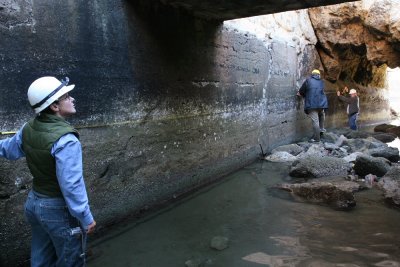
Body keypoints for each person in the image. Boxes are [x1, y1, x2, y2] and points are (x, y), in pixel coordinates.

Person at [0, 76, 96, 266]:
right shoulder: (67, 140)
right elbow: (71, 185)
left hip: (34, 204)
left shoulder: (28, 127)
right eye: (67, 97)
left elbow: (8, 150)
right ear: (54, 106)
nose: (72, 99)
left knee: (41, 259)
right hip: (56, 209)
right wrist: (85, 217)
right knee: (71, 260)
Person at [297, 69, 328, 142]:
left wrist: (300, 94)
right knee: (321, 117)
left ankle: (317, 139)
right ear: (318, 75)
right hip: (321, 104)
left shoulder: (308, 81)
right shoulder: (322, 82)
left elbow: (302, 91)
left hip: (312, 105)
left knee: (315, 121)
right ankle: (321, 133)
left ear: (312, 74)